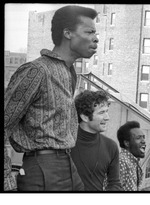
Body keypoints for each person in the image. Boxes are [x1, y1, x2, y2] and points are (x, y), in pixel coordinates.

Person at [4, 5, 99, 191]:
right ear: (68, 33)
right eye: (89, 32)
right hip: (42, 168)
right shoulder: (36, 71)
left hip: (68, 165)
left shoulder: (69, 73)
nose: (96, 39)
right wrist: (6, 180)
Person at [71, 90, 122, 191]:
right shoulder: (65, 144)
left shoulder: (111, 146)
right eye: (102, 112)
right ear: (85, 117)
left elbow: (115, 183)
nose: (107, 117)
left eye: (107, 111)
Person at [117, 121, 146, 191]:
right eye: (138, 138)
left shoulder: (134, 162)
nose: (143, 141)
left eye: (143, 137)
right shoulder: (121, 162)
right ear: (127, 143)